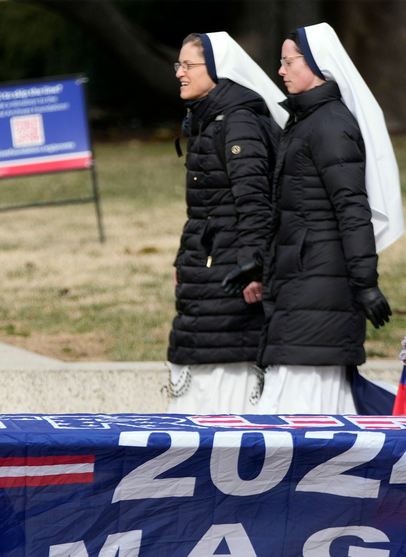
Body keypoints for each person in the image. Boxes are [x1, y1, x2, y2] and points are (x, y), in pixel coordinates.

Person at [224, 23, 402, 414]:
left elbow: (352, 209)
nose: (281, 71)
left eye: (289, 62)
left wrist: (366, 284)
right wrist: (261, 261)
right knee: (295, 394)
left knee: (307, 401)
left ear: (319, 67)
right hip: (302, 279)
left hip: (320, 283)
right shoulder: (306, 120)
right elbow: (295, 209)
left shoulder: (330, 125)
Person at [166, 32, 287, 414]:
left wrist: (255, 266)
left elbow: (254, 201)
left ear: (216, 70)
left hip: (232, 267)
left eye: (189, 66)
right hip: (208, 262)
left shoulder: (238, 123)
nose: (180, 74)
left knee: (226, 356)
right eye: (178, 65)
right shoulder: (209, 120)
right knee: (205, 347)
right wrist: (182, 260)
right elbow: (204, 209)